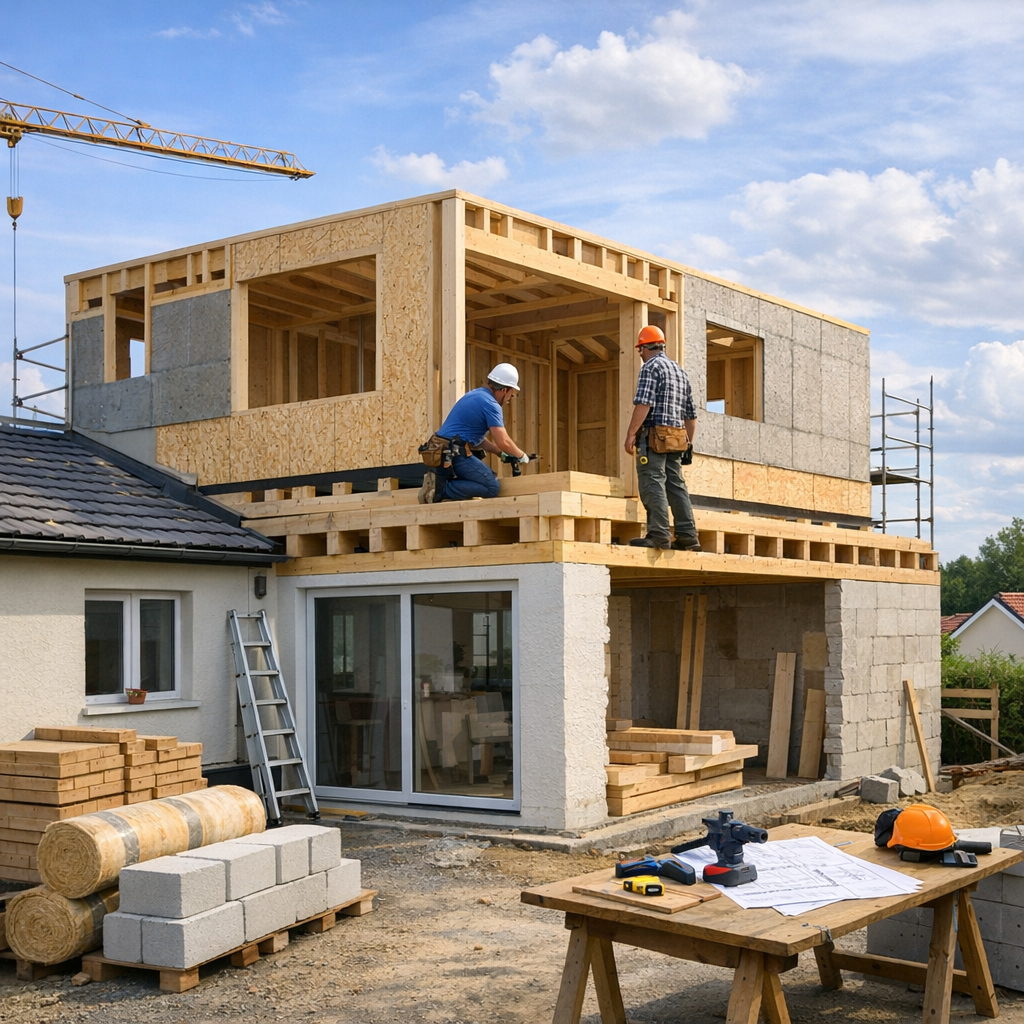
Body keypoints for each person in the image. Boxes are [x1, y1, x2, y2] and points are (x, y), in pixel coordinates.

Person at [622, 325, 700, 550]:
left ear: (646, 347)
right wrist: (688, 444)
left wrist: (631, 434)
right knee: (676, 486)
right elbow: (690, 415)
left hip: (654, 438)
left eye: (640, 351)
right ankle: (688, 537)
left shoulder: (651, 368)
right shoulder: (679, 371)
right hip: (677, 438)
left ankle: (659, 535)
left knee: (652, 482)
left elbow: (644, 403)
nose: (641, 355)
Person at [418, 363, 529, 503]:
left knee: (482, 478)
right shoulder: (491, 404)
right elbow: (503, 441)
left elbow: (479, 439)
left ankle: (439, 483)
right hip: (453, 452)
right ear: (504, 390)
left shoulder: (476, 394)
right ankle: (441, 490)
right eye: (511, 395)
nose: (508, 400)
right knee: (491, 487)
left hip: (441, 450)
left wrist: (499, 453)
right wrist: (521, 455)